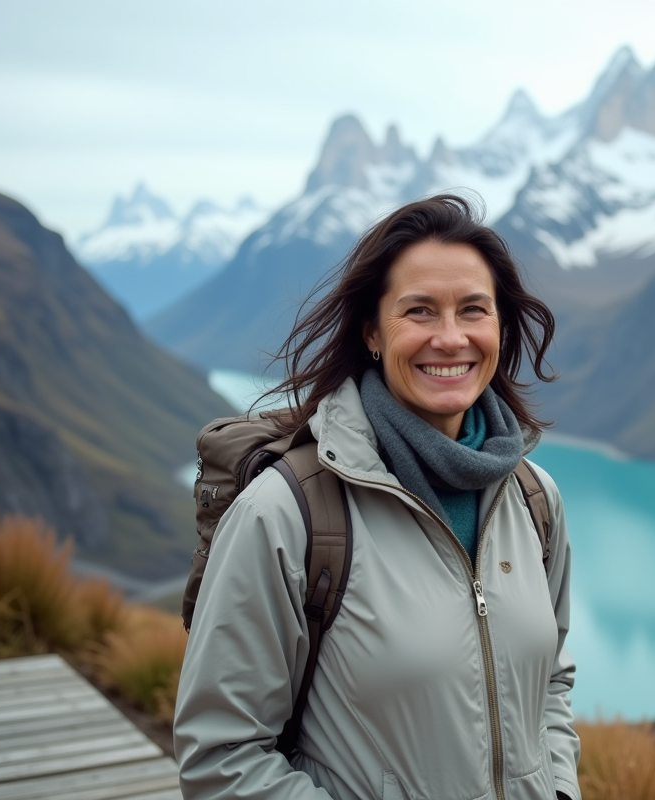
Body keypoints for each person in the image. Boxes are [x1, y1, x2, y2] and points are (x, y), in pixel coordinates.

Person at [173, 194, 580, 800]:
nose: (450, 338)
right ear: (371, 331)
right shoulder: (287, 512)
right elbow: (221, 754)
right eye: (419, 311)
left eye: (474, 310)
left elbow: (550, 683)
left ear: (500, 327)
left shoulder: (534, 499)